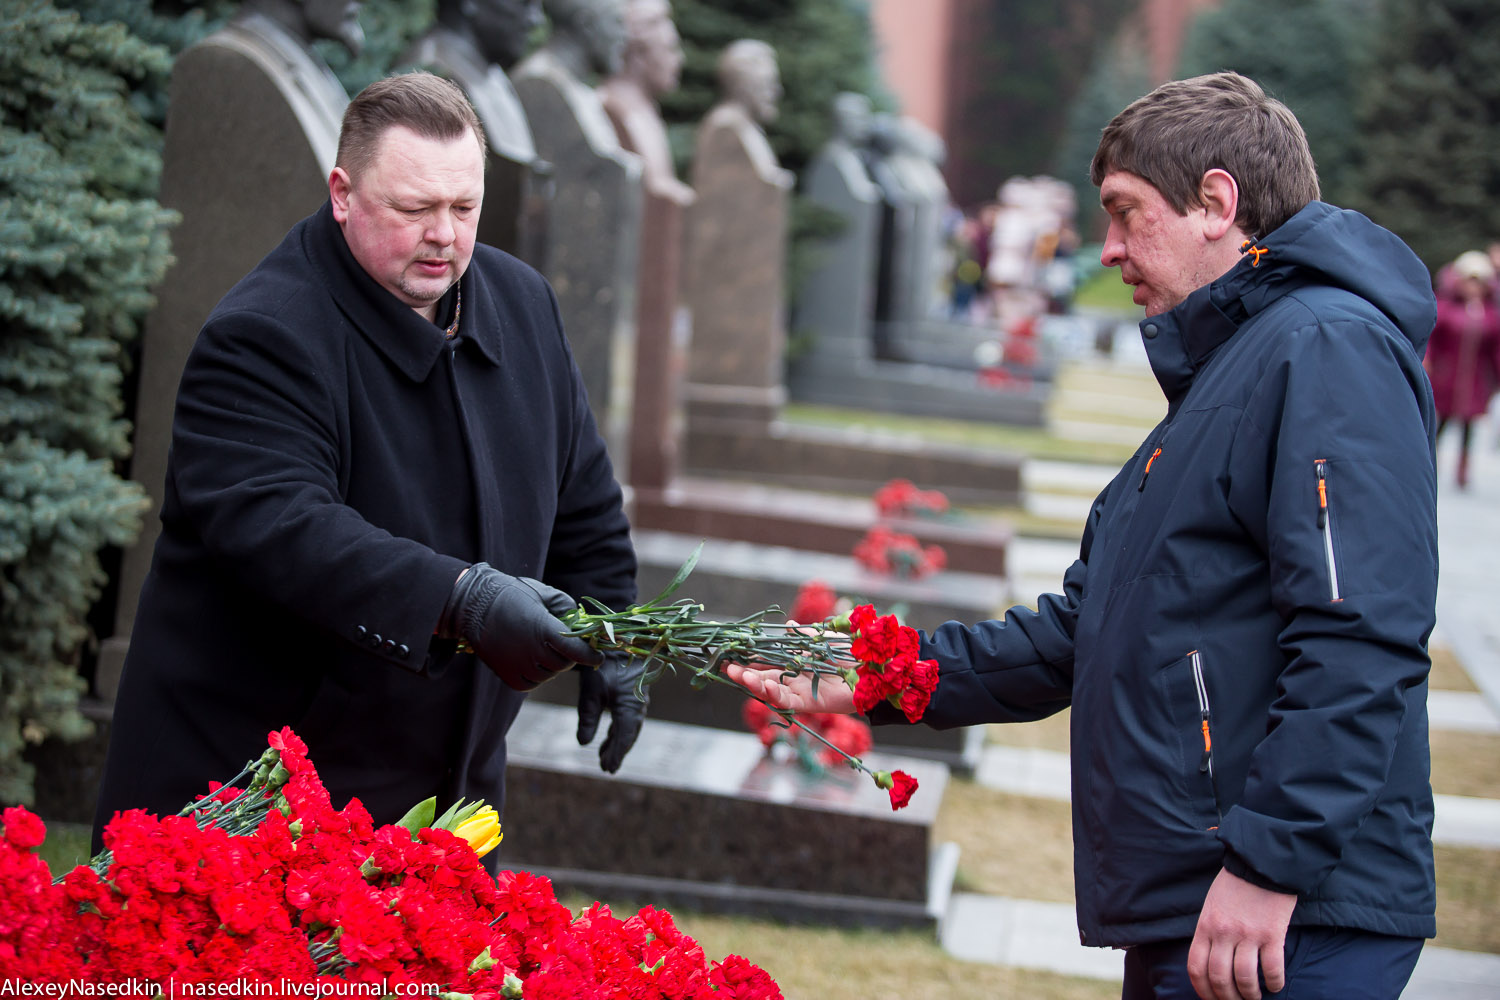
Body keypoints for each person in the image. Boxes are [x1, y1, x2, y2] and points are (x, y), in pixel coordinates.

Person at [732, 71, 1438, 1000]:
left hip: (1287, 915)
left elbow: (1358, 636)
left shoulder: (1325, 348)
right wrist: (873, 675)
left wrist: (1272, 865)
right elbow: (1086, 630)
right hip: (1209, 893)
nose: (1105, 249)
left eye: (1124, 212)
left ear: (1216, 203)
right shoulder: (1241, 365)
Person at [94, 72, 644, 856]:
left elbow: (582, 498)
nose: (446, 236)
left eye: (463, 208)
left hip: (442, 805)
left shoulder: (520, 302)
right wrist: (460, 598)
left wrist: (613, 628)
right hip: (252, 802)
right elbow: (286, 529)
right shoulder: (263, 335)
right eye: (414, 208)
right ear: (343, 193)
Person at [1425, 249, 1500, 488]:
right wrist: (1428, 361)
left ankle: (1463, 470)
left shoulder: (1489, 313)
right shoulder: (1446, 307)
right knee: (1441, 422)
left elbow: (1495, 348)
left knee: (1469, 426)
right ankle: (1428, 464)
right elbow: (1432, 339)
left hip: (1475, 378)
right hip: (1448, 374)